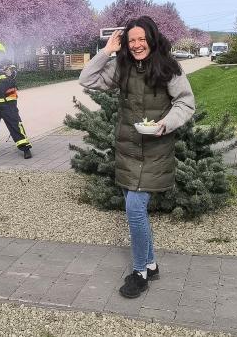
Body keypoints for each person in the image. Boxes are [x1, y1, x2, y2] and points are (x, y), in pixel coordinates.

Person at [79, 15, 195, 299]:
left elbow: (186, 103)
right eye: (131, 41)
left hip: (155, 150)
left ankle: (140, 272)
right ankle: (152, 264)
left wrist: (165, 124)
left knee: (134, 209)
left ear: (152, 39)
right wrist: (107, 51)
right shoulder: (122, 67)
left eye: (141, 39)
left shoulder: (169, 67)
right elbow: (87, 78)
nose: (137, 45)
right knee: (136, 210)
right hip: (128, 150)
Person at [0, 41, 32, 159]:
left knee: (15, 124)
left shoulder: (9, 64)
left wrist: (10, 72)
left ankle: (25, 147)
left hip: (8, 102)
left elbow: (14, 73)